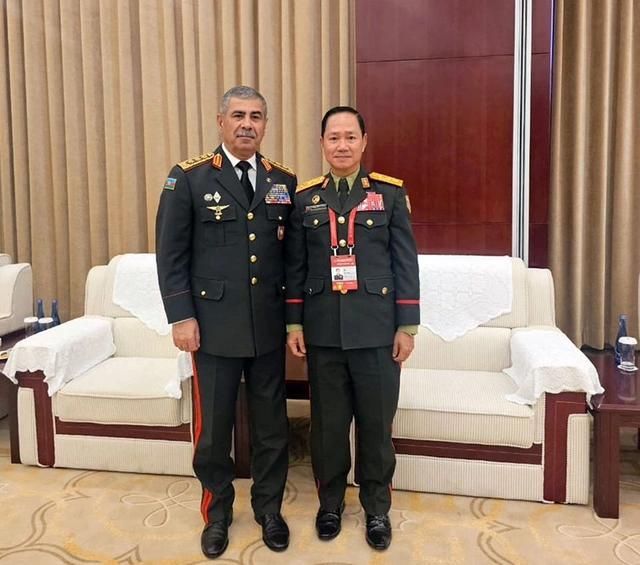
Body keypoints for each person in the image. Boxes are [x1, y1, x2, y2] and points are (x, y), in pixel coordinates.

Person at [156, 86, 296, 559]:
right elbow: (170, 254)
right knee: (214, 430)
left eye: (256, 116)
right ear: (221, 122)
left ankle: (269, 509)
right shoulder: (189, 177)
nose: (247, 124)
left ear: (265, 125)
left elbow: (290, 257)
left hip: (267, 325)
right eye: (238, 115)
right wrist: (181, 316)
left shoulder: (283, 180)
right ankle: (216, 514)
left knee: (271, 427)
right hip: (212, 326)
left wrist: (294, 321)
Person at [285, 106, 420, 550]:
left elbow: (405, 263)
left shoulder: (389, 194)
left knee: (376, 427)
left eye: (349, 137)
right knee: (327, 427)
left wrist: (407, 326)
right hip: (323, 332)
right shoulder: (305, 199)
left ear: (364, 142)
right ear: (322, 144)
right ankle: (329, 504)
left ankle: (377, 509)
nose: (341, 145)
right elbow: (295, 267)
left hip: (377, 332)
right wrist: (294, 322)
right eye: (333, 137)